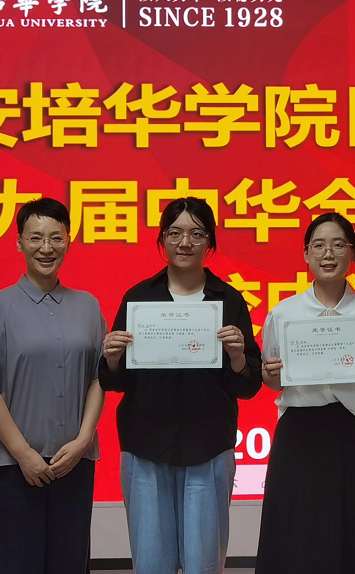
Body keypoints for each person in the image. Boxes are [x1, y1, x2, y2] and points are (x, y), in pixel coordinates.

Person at [99, 197, 262, 574]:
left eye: (196, 234)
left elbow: (249, 384)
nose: (184, 242)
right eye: (174, 233)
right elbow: (116, 380)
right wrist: (112, 357)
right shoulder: (139, 298)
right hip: (146, 445)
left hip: (209, 445)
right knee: (150, 560)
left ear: (210, 243)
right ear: (162, 239)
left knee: (204, 561)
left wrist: (238, 356)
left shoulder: (229, 299)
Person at [0, 197, 106, 574]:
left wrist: (83, 441)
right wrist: (23, 453)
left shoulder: (88, 306)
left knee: (70, 564)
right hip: (13, 466)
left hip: (73, 463)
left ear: (68, 241)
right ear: (19, 242)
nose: (46, 248)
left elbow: (98, 378)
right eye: (36, 238)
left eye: (56, 238)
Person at [255, 213, 355, 574]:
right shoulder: (284, 313)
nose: (328, 254)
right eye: (318, 245)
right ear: (306, 254)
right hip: (299, 430)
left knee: (354, 532)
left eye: (338, 245)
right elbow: (274, 383)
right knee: (295, 532)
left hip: (352, 430)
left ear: (353, 253)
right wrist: (270, 374)